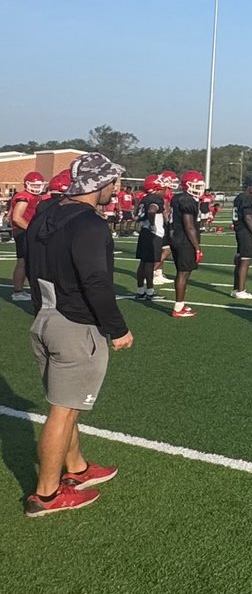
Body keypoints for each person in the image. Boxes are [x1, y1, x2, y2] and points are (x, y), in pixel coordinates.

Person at [24, 152, 131, 517]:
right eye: (113, 182)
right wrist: (117, 329)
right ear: (98, 183)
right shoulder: (90, 224)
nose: (116, 189)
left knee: (65, 408)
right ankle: (47, 495)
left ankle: (78, 469)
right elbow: (96, 282)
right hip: (74, 325)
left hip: (45, 317)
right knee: (64, 411)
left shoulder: (45, 213)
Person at [166, 172, 206, 318]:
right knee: (183, 273)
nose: (199, 188)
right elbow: (189, 226)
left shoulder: (178, 198)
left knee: (183, 272)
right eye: (196, 185)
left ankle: (180, 304)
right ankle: (178, 307)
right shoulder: (186, 200)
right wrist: (197, 247)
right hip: (184, 240)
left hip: (176, 238)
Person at [9, 171, 46, 301]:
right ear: (27, 184)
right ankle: (18, 292)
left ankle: (20, 291)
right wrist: (33, 230)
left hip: (24, 230)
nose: (36, 188)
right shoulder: (24, 196)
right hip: (23, 231)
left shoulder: (34, 197)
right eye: (34, 185)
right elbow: (17, 218)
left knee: (24, 262)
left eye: (38, 185)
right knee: (24, 262)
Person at [133, 176, 166, 301]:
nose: (164, 190)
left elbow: (137, 214)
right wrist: (152, 225)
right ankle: (150, 292)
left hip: (144, 232)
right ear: (156, 188)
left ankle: (141, 290)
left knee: (143, 263)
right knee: (149, 263)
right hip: (152, 233)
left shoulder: (145, 198)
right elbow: (152, 211)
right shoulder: (156, 198)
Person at [231, 178, 252, 300]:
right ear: (250, 187)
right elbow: (248, 217)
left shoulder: (239, 197)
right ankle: (240, 290)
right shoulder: (246, 198)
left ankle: (236, 289)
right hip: (246, 232)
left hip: (240, 230)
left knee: (240, 259)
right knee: (245, 260)